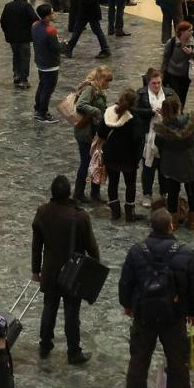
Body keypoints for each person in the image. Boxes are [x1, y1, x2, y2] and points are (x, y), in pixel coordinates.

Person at [119, 208, 194, 388]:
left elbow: (126, 281)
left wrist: (127, 305)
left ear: (150, 226)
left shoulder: (136, 251)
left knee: (138, 363)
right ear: (171, 227)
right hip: (174, 318)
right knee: (178, 365)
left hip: (144, 316)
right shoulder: (187, 253)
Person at [31, 174, 99, 363]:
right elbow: (91, 246)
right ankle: (73, 351)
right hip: (73, 272)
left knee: (49, 308)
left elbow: (37, 245)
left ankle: (44, 344)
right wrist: (95, 269)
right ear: (69, 193)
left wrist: (35, 270)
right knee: (71, 313)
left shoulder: (42, 212)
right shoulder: (80, 216)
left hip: (50, 271)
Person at [154, 95, 194, 230]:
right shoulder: (191, 122)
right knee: (192, 191)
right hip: (191, 161)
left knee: (173, 192)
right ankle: (192, 222)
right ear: (179, 108)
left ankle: (173, 223)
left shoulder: (162, 129)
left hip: (172, 164)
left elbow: (158, 144)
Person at [98, 89, 143, 223]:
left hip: (111, 156)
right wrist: (137, 159)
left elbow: (100, 133)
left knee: (113, 183)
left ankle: (115, 212)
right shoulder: (135, 119)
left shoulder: (109, 113)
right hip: (128, 159)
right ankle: (130, 214)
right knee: (130, 185)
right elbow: (138, 140)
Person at [134, 70, 177, 207]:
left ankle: (164, 192)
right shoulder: (141, 94)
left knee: (164, 165)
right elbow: (134, 111)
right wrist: (150, 112)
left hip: (165, 134)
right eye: (154, 83)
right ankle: (147, 194)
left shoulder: (169, 93)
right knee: (148, 166)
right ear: (148, 82)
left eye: (159, 83)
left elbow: (177, 108)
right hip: (148, 134)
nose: (157, 86)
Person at [73, 66, 112, 203]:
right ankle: (78, 194)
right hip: (85, 133)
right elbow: (81, 104)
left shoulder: (99, 90)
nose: (108, 85)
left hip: (95, 132)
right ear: (100, 79)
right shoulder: (90, 89)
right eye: (107, 81)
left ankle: (95, 193)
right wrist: (96, 111)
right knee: (85, 162)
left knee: (97, 161)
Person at [0, 0, 37, 90]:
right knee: (25, 58)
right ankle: (24, 79)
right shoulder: (26, 6)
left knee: (16, 56)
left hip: (12, 39)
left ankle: (16, 75)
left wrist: (7, 32)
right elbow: (35, 19)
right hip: (24, 38)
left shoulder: (8, 6)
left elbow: (2, 21)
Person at [31, 4, 62, 122]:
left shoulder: (34, 25)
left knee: (42, 85)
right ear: (47, 16)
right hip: (50, 64)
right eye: (52, 12)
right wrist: (62, 44)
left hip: (40, 61)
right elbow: (56, 48)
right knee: (47, 89)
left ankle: (38, 108)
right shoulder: (50, 30)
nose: (54, 14)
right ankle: (42, 113)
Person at [161, 20, 194, 105]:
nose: (192, 32)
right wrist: (162, 74)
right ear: (182, 32)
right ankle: (176, 113)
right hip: (173, 74)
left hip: (186, 75)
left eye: (192, 30)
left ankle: (180, 112)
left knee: (183, 96)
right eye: (189, 30)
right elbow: (165, 59)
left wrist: (191, 53)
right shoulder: (171, 42)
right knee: (176, 97)